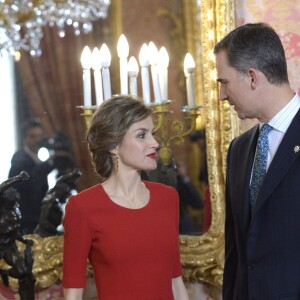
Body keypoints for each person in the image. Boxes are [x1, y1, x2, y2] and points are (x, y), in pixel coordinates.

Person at [62, 95, 189, 300]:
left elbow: (176, 283)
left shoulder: (167, 198)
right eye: (142, 135)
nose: (155, 143)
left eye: (152, 134)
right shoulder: (82, 208)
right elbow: (73, 294)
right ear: (113, 145)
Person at [214, 22, 300, 299]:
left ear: (252, 77)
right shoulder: (238, 150)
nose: (222, 95)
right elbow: (236, 254)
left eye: (224, 82)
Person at [8, 119, 71, 234]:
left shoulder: (35, 157)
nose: (37, 140)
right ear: (25, 138)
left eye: (40, 136)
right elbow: (29, 180)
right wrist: (50, 161)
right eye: (33, 136)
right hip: (25, 216)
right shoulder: (19, 158)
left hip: (37, 214)